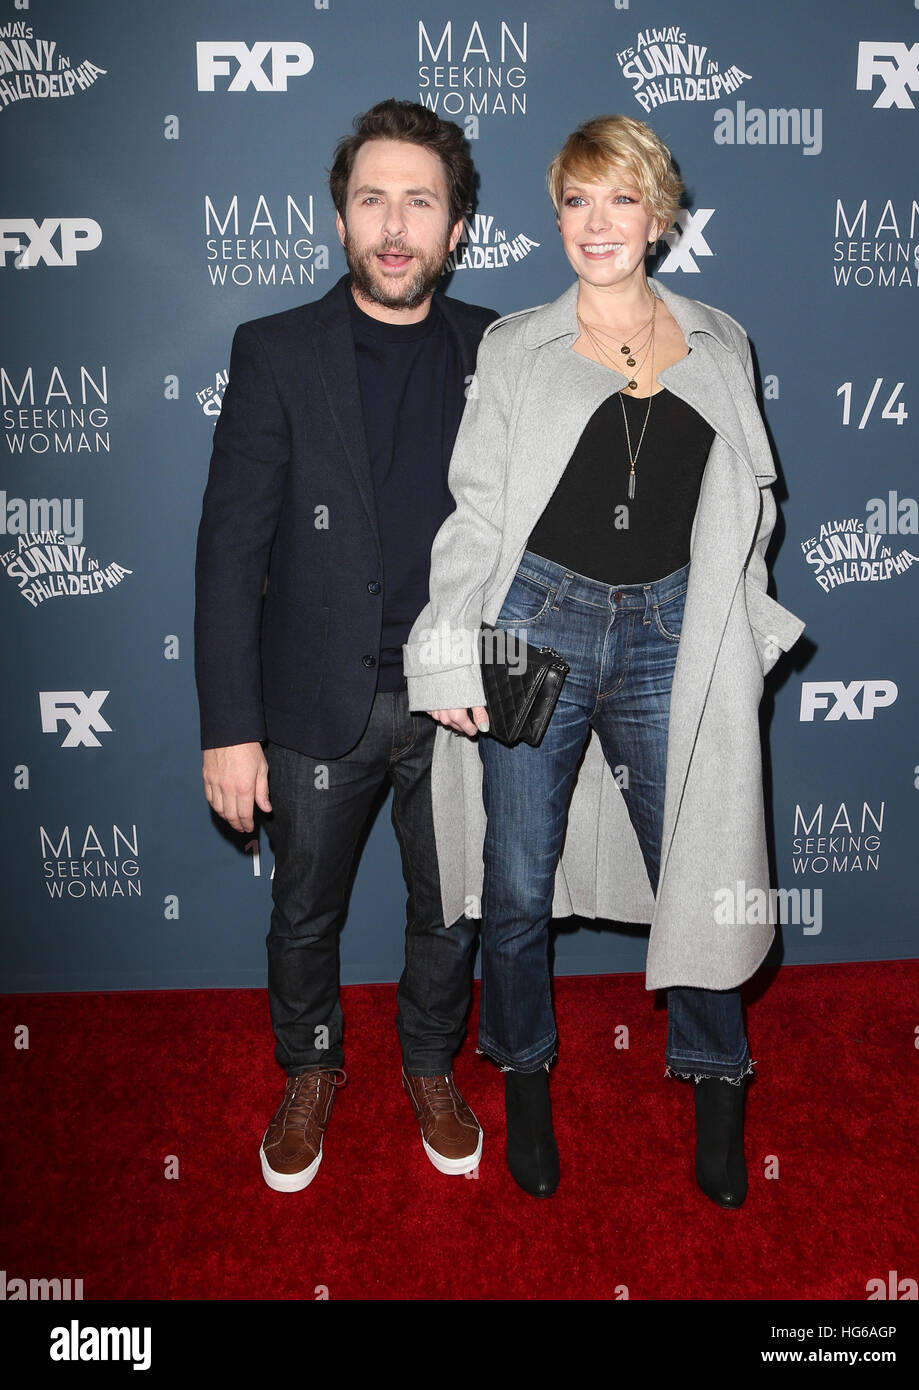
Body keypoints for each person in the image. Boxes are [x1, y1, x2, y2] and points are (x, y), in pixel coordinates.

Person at [403, 115, 805, 1204]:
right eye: (577, 200)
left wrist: (746, 624)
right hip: (535, 623)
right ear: (558, 215)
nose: (596, 223)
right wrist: (447, 656)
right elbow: (476, 517)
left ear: (659, 216)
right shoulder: (516, 345)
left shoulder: (721, 340)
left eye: (619, 199)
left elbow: (750, 506)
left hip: (673, 630)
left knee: (705, 869)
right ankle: (524, 1080)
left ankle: (719, 1083)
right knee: (517, 879)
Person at [195, 99, 497, 1191]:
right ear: (339, 217)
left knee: (449, 908)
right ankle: (310, 1064)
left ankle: (428, 1061)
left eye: (421, 201)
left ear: (456, 227)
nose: (395, 224)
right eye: (372, 198)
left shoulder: (502, 351)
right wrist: (230, 728)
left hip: (458, 699)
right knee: (304, 910)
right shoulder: (274, 351)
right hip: (320, 698)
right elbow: (229, 551)